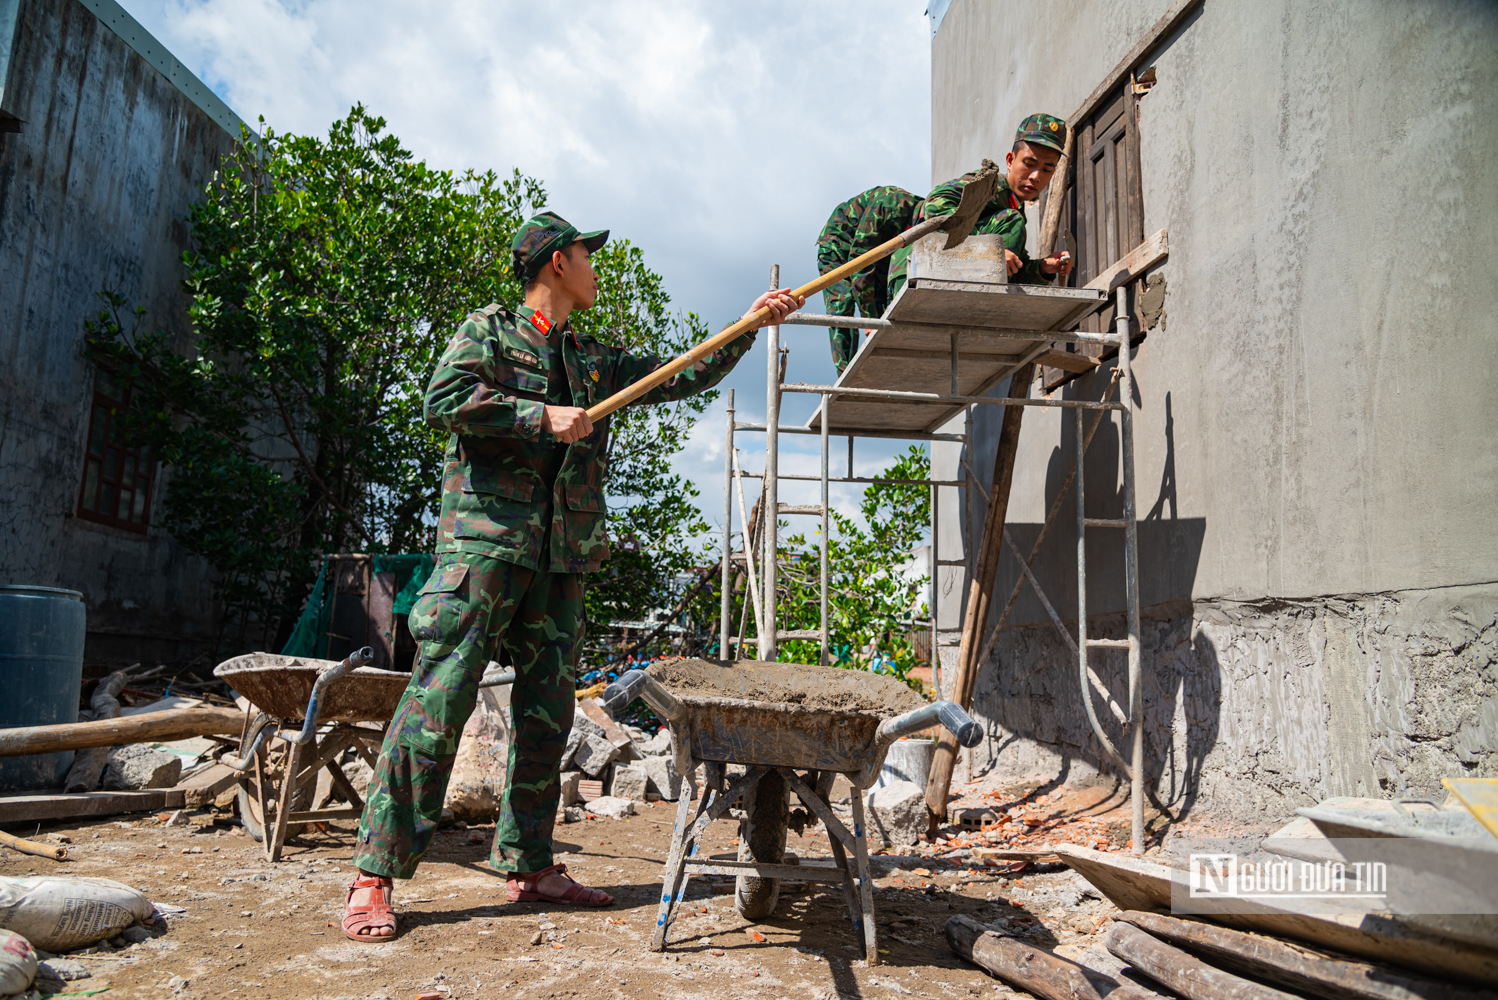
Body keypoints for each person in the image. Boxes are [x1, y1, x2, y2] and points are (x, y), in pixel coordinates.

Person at [340, 211, 803, 941]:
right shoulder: (489, 331)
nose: (596, 268)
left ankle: (528, 863)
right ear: (557, 262)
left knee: (548, 717)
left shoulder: (592, 354)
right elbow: (439, 400)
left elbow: (676, 377)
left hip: (561, 558)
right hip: (485, 553)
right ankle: (376, 874)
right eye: (588, 255)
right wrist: (538, 418)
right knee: (437, 710)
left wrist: (747, 325)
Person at [887, 113, 1075, 300]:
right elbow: (935, 203)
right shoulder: (990, 186)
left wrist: (1043, 268)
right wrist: (989, 253)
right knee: (1011, 220)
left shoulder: (1013, 210)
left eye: (1047, 169)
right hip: (915, 268)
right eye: (1029, 164)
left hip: (937, 273)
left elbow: (1015, 269)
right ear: (1010, 161)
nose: (1036, 176)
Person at [814, 185, 924, 374]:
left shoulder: (918, 218)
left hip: (877, 252)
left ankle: (883, 368)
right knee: (842, 309)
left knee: (883, 307)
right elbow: (860, 262)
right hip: (839, 247)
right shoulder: (891, 205)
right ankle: (845, 373)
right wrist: (869, 319)